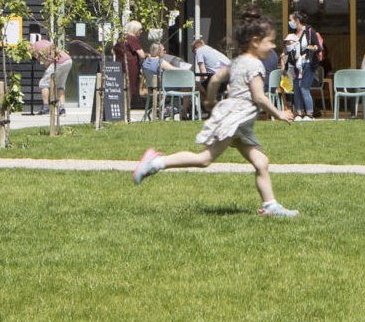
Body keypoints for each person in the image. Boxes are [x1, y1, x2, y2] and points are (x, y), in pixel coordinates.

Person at [133, 16, 299, 218]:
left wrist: (210, 100)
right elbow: (259, 97)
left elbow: (216, 78)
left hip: (240, 123)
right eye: (270, 41)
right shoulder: (255, 66)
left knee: (261, 162)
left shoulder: (238, 62)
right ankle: (156, 163)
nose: (273, 46)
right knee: (204, 159)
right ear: (255, 42)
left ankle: (271, 205)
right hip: (235, 121)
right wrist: (279, 113)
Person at [283, 11, 323, 118]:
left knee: (304, 88)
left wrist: (314, 48)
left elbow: (318, 47)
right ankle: (299, 113)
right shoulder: (293, 34)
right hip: (296, 65)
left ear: (297, 21)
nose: (290, 22)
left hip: (308, 63)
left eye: (291, 20)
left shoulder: (309, 31)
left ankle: (309, 113)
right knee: (296, 88)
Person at [115, 20, 147, 117]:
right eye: (140, 30)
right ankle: (126, 111)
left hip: (120, 65)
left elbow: (113, 50)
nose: (141, 32)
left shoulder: (122, 38)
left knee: (123, 87)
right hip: (131, 65)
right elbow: (141, 54)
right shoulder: (132, 38)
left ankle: (123, 110)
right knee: (130, 87)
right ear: (135, 29)